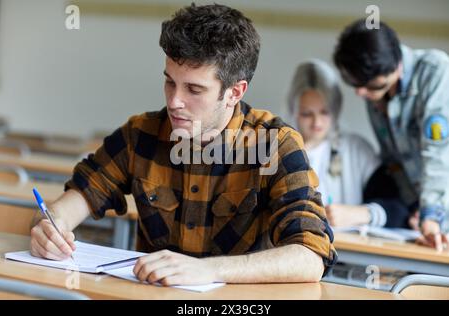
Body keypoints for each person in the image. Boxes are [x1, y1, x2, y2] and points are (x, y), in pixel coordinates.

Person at [29, 3, 336, 285]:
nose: (175, 101)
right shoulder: (140, 134)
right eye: (169, 82)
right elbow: (70, 203)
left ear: (235, 92)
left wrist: (208, 270)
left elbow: (311, 257)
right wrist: (49, 227)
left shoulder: (276, 144)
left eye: (194, 89)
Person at [333, 19, 449, 250]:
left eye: (368, 85)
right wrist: (414, 207)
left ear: (395, 66)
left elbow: (438, 153)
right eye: (354, 83)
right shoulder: (374, 94)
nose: (360, 92)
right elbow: (394, 161)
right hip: (424, 212)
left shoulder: (435, 71)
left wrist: (431, 215)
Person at [287, 59, 404, 229]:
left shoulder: (356, 150)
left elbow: (397, 209)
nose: (316, 122)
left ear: (335, 109)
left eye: (324, 112)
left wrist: (359, 214)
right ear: (294, 111)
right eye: (307, 114)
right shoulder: (278, 150)